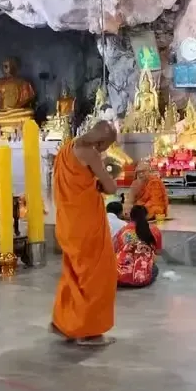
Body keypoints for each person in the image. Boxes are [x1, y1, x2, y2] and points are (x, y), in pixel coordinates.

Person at [51, 121, 119, 347]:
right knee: (97, 275)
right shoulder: (90, 153)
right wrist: (111, 172)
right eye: (105, 146)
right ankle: (88, 331)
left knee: (74, 273)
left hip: (68, 222)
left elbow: (80, 179)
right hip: (86, 223)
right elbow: (111, 188)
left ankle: (64, 322)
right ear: (99, 141)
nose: (104, 150)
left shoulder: (67, 148)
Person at [114, 205, 163, 288]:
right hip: (141, 279)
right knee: (155, 268)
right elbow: (158, 252)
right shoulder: (154, 230)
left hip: (118, 278)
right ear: (147, 216)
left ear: (130, 216)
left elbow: (115, 250)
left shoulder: (123, 230)